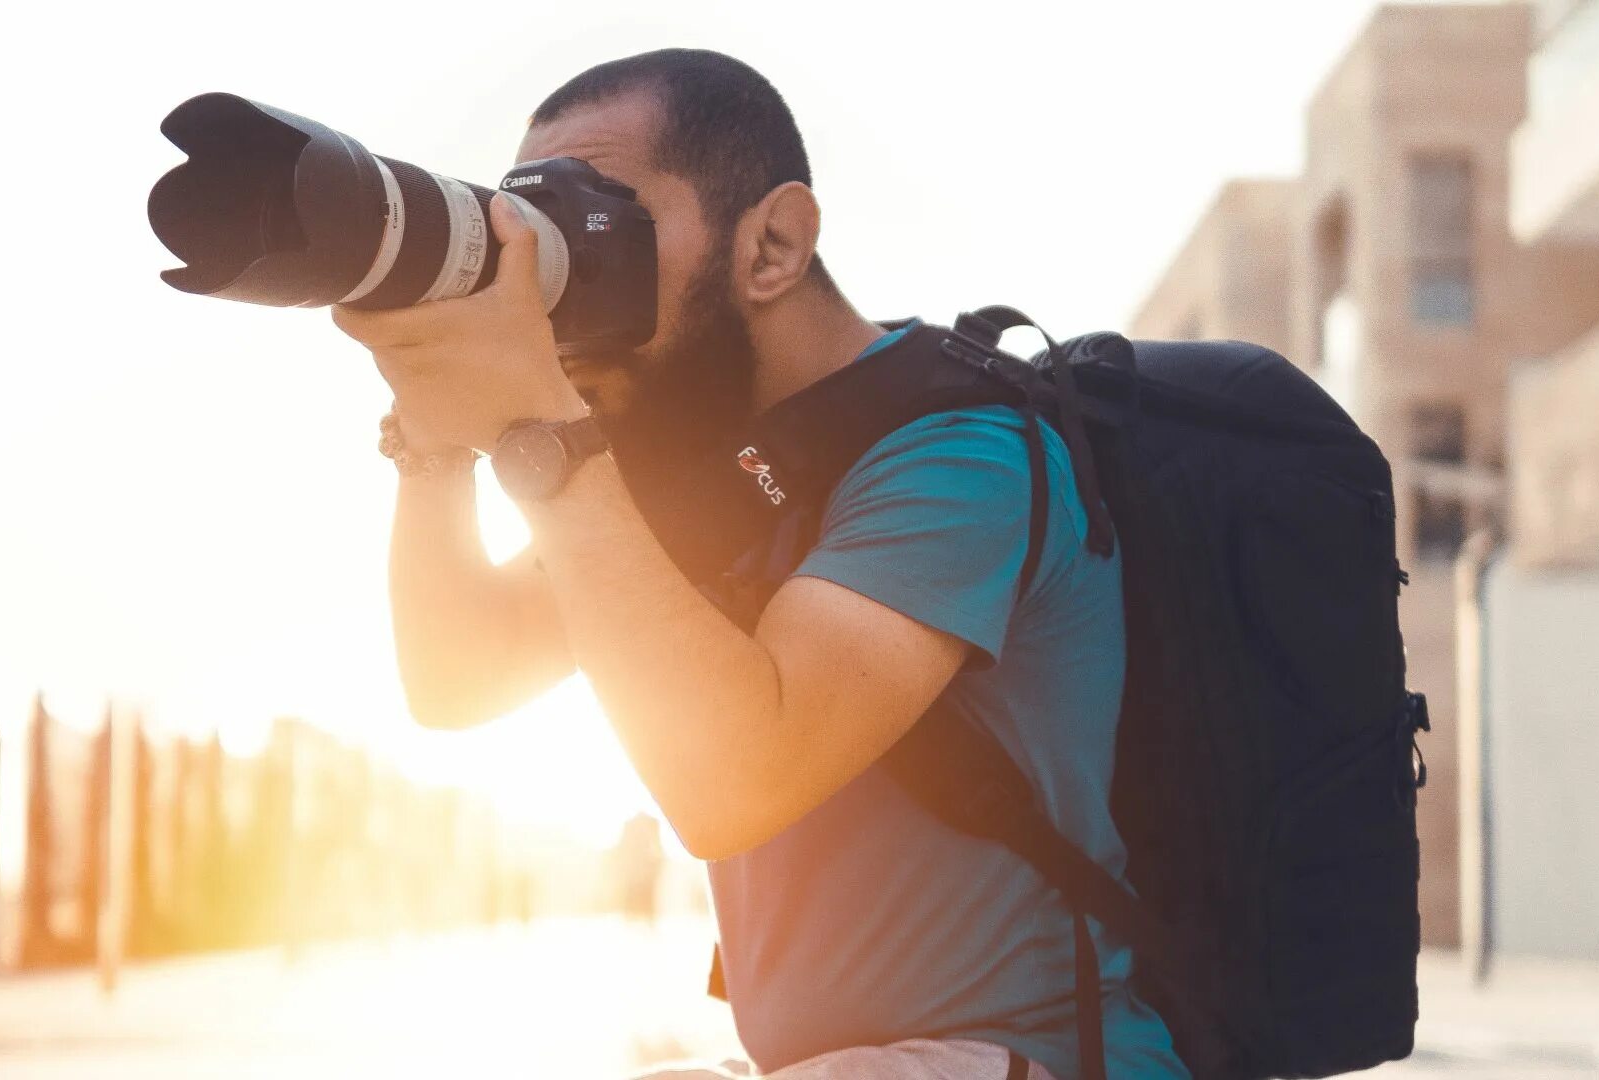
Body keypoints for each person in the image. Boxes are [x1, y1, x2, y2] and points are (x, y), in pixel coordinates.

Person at [332, 49, 1189, 1080]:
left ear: (773, 244)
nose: (558, 297)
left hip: (1035, 1061)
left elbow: (734, 778)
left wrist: (537, 423)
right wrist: (431, 442)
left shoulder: (962, 456)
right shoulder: (693, 471)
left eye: (599, 229)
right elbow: (460, 677)